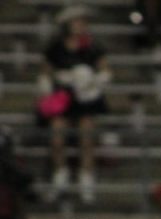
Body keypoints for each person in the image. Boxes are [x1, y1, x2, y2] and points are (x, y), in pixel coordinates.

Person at [38, 6, 111, 204]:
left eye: (83, 22)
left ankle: (86, 179)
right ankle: (60, 174)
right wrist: (59, 80)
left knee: (86, 137)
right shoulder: (56, 47)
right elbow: (45, 72)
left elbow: (105, 72)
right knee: (57, 135)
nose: (81, 25)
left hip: (86, 99)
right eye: (77, 21)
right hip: (63, 99)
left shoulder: (93, 46)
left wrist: (91, 81)